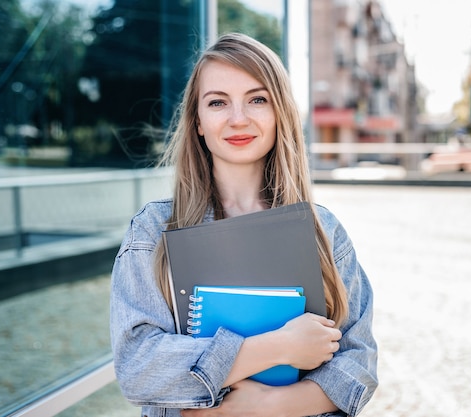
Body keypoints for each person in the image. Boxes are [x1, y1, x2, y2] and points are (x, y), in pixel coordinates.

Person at [110, 32, 378, 417]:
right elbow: (138, 368)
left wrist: (269, 404)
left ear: (279, 113)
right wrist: (279, 346)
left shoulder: (324, 231)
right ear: (198, 122)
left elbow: (359, 364)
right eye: (218, 102)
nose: (238, 119)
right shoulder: (154, 231)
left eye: (257, 99)